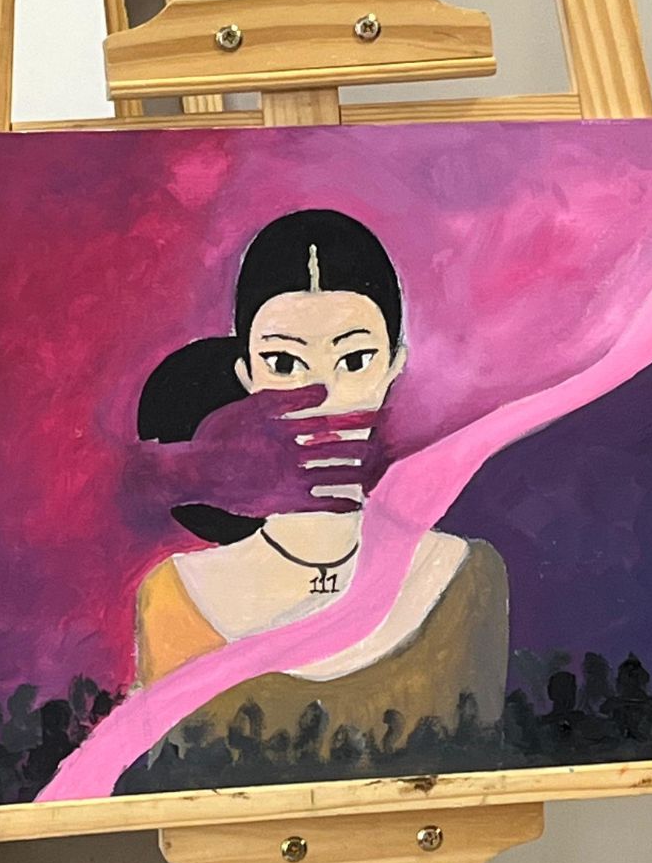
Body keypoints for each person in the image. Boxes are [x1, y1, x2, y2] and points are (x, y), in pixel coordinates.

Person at [130, 209, 508, 763]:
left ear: (393, 367)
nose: (322, 395)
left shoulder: (463, 579)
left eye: (355, 360)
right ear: (247, 375)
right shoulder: (175, 596)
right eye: (284, 363)